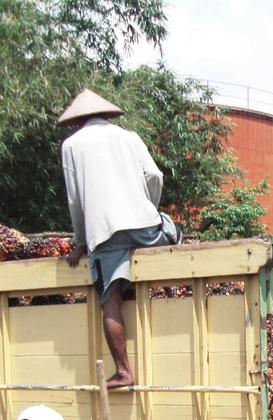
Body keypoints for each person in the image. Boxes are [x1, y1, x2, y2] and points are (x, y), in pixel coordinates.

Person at [58, 88, 182, 389]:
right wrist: (148, 208)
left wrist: (80, 241)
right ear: (105, 114)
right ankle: (172, 249)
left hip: (106, 235)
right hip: (146, 229)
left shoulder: (72, 145)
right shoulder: (130, 137)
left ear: (77, 121)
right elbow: (155, 177)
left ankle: (124, 371)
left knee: (110, 299)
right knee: (170, 227)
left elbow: (75, 200)